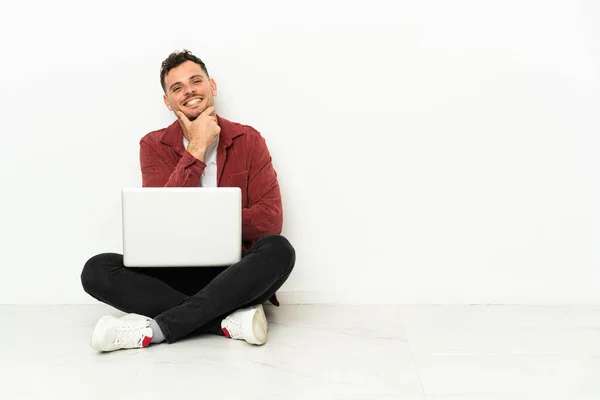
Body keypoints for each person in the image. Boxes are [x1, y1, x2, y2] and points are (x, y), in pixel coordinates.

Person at [80, 50, 295, 352]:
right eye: (177, 87)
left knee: (279, 250)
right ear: (168, 102)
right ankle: (225, 321)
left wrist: (200, 221)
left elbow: (270, 220)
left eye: (196, 81)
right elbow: (157, 223)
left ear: (212, 87)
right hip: (172, 275)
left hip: (234, 273)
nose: (189, 90)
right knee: (96, 269)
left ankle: (154, 330)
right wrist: (196, 147)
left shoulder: (249, 140)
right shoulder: (153, 144)